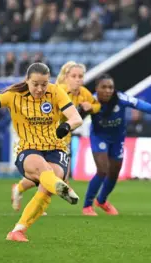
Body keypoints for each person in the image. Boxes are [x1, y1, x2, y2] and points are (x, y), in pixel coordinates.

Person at [0, 63, 83, 242]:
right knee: (44, 171)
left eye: (44, 84)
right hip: (29, 148)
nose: (40, 88)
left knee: (46, 188)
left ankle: (18, 231)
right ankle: (61, 187)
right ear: (27, 81)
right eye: (35, 84)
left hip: (56, 148)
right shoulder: (13, 95)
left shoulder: (55, 91)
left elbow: (76, 118)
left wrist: (66, 126)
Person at [82, 74, 151, 216]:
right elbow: (75, 113)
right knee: (102, 169)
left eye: (110, 87)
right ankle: (87, 206)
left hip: (117, 139)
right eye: (103, 87)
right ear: (97, 88)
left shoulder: (121, 99)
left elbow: (147, 108)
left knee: (114, 172)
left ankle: (102, 201)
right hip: (99, 137)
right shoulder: (90, 100)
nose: (107, 90)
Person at [10, 61, 101, 213]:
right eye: (74, 76)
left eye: (81, 76)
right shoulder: (59, 91)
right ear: (66, 77)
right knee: (50, 175)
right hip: (46, 139)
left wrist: (91, 107)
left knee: (52, 176)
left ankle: (20, 189)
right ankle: (36, 203)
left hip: (63, 139)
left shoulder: (84, 93)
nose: (78, 79)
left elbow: (97, 105)